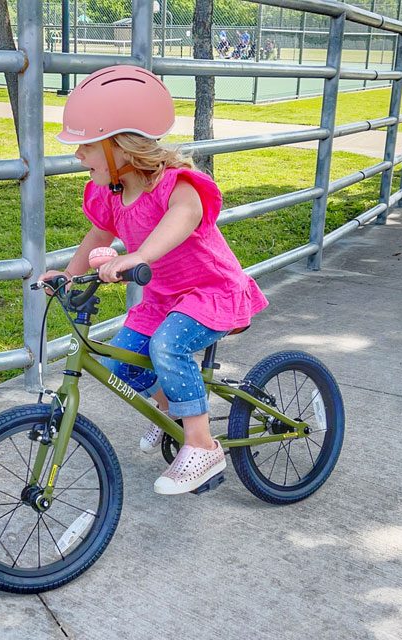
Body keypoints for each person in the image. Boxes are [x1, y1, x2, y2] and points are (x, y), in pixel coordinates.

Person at [38, 66, 269, 495]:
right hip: (164, 297)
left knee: (168, 345)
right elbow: (98, 235)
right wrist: (69, 275)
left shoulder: (173, 184)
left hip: (209, 292)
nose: (77, 157)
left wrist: (140, 255)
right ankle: (174, 414)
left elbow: (186, 215)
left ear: (119, 147)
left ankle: (201, 445)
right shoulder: (111, 193)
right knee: (119, 364)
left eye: (86, 147)